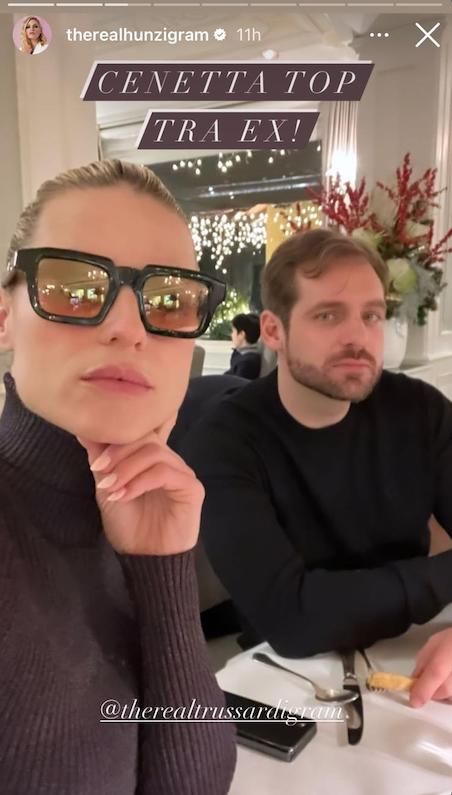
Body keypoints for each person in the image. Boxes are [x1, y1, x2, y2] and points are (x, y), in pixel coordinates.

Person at [0, 159, 236, 793]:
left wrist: (162, 567)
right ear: (4, 316)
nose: (127, 328)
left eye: (169, 300)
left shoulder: (153, 506)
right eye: (74, 287)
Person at [181, 228, 452, 680]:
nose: (358, 337)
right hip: (290, 675)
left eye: (372, 315)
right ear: (274, 330)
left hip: (414, 649)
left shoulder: (421, 410)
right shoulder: (224, 440)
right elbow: (292, 621)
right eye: (328, 315)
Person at [225, 313, 261, 379]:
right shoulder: (241, 354)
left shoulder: (247, 364)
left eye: (233, 331)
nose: (231, 335)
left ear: (241, 334)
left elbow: (237, 383)